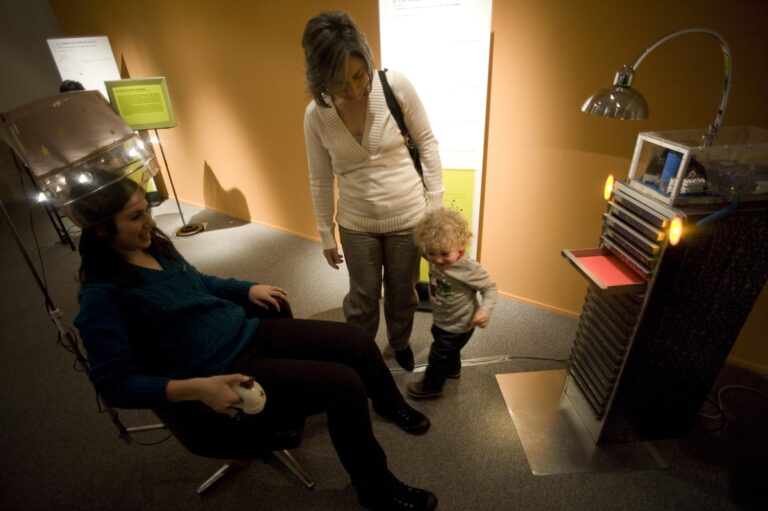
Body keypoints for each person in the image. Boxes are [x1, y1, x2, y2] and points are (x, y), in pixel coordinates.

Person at [73, 178, 438, 511]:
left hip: (248, 332)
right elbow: (113, 383)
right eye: (136, 217)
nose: (150, 222)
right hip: (224, 369)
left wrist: (244, 289)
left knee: (356, 341)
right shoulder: (102, 297)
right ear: (103, 229)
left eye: (147, 211)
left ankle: (390, 405)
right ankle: (375, 488)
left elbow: (198, 283)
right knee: (342, 385)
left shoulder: (157, 247)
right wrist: (197, 388)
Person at [302, 11, 444, 371]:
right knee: (362, 300)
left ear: (367, 61)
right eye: (338, 82)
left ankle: (399, 343)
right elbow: (319, 178)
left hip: (408, 216)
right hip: (356, 221)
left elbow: (426, 143)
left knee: (403, 294)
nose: (352, 90)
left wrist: (435, 208)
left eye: (358, 75)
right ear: (320, 78)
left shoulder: (395, 87)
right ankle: (361, 355)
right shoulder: (315, 115)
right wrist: (325, 233)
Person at [406, 208, 497, 399]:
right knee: (447, 347)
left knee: (438, 354)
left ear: (460, 246)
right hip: (442, 319)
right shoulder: (435, 252)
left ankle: (431, 386)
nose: (438, 260)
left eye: (445, 254)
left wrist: (486, 310)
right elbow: (426, 248)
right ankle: (453, 370)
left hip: (460, 323)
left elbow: (490, 288)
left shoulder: (468, 267)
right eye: (432, 253)